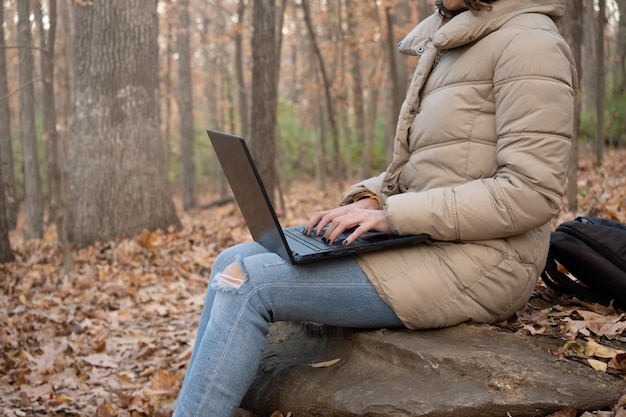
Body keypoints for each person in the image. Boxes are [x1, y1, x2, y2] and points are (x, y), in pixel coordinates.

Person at [173, 0, 576, 415]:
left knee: (249, 284)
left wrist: (392, 217)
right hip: (431, 237)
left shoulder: (530, 44)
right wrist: (371, 199)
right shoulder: (452, 38)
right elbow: (424, 170)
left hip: (487, 258)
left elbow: (531, 193)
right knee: (231, 259)